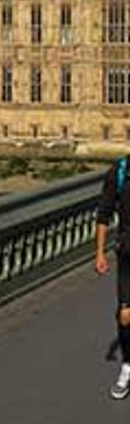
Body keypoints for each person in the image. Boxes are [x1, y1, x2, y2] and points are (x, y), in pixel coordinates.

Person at [95, 156, 130, 398]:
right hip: (128, 252)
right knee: (125, 315)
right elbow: (104, 214)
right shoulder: (120, 171)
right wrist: (99, 253)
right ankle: (128, 366)